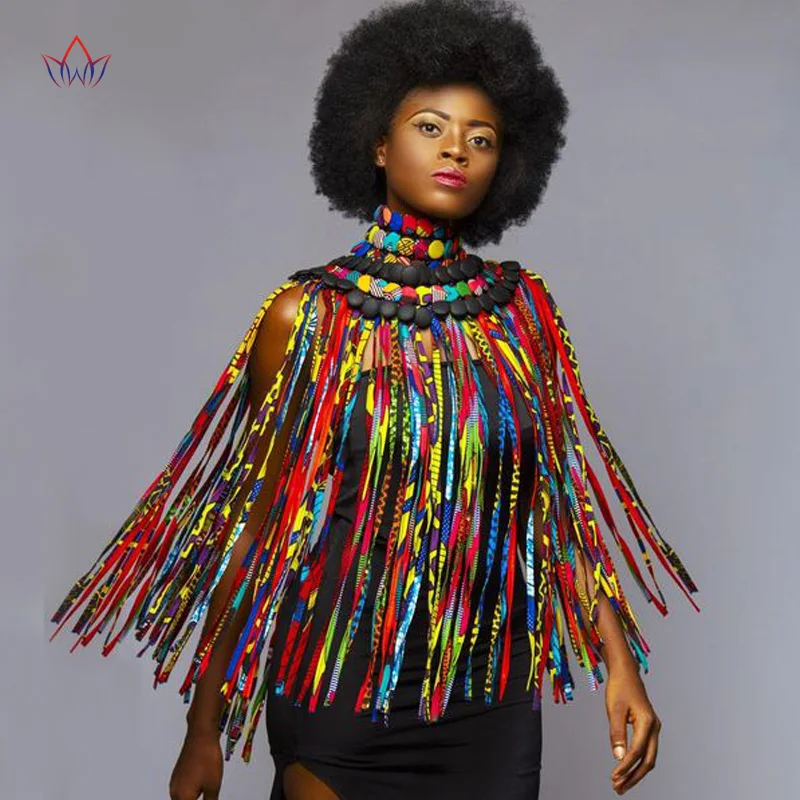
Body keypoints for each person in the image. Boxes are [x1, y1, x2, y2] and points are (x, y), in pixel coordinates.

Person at [48, 1, 699, 798]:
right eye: (431, 127)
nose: (457, 148)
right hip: (338, 693)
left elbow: (554, 511)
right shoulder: (308, 316)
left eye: (482, 138)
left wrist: (621, 665)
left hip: (491, 701)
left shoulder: (521, 310)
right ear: (378, 143)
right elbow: (258, 529)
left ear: (506, 165)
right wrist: (204, 728)